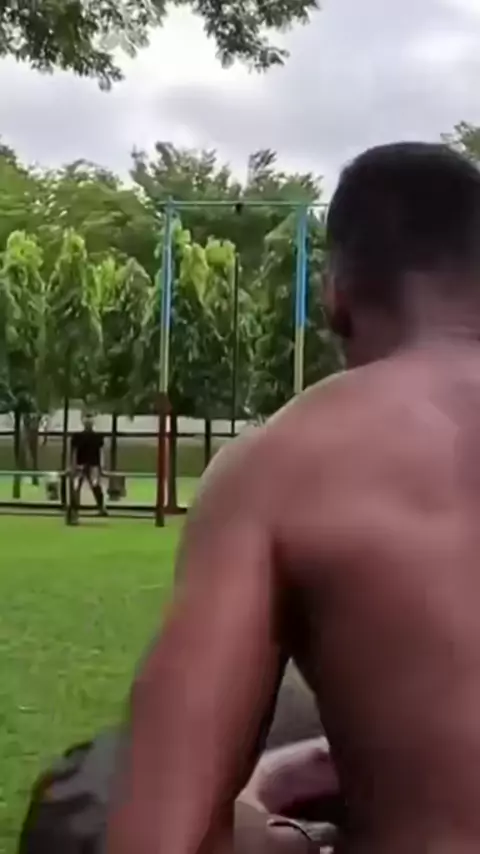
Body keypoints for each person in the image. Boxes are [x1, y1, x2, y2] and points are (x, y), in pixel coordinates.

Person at [107, 141, 480, 854]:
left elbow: (159, 839)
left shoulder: (280, 464)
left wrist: (273, 832)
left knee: (88, 787)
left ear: (337, 294)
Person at [70, 413, 108, 519]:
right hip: (81, 464)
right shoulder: (78, 437)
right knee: (77, 487)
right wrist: (73, 465)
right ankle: (74, 509)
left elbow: (101, 452)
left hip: (92, 464)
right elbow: (74, 452)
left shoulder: (97, 437)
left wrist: (101, 466)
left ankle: (101, 507)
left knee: (95, 485)